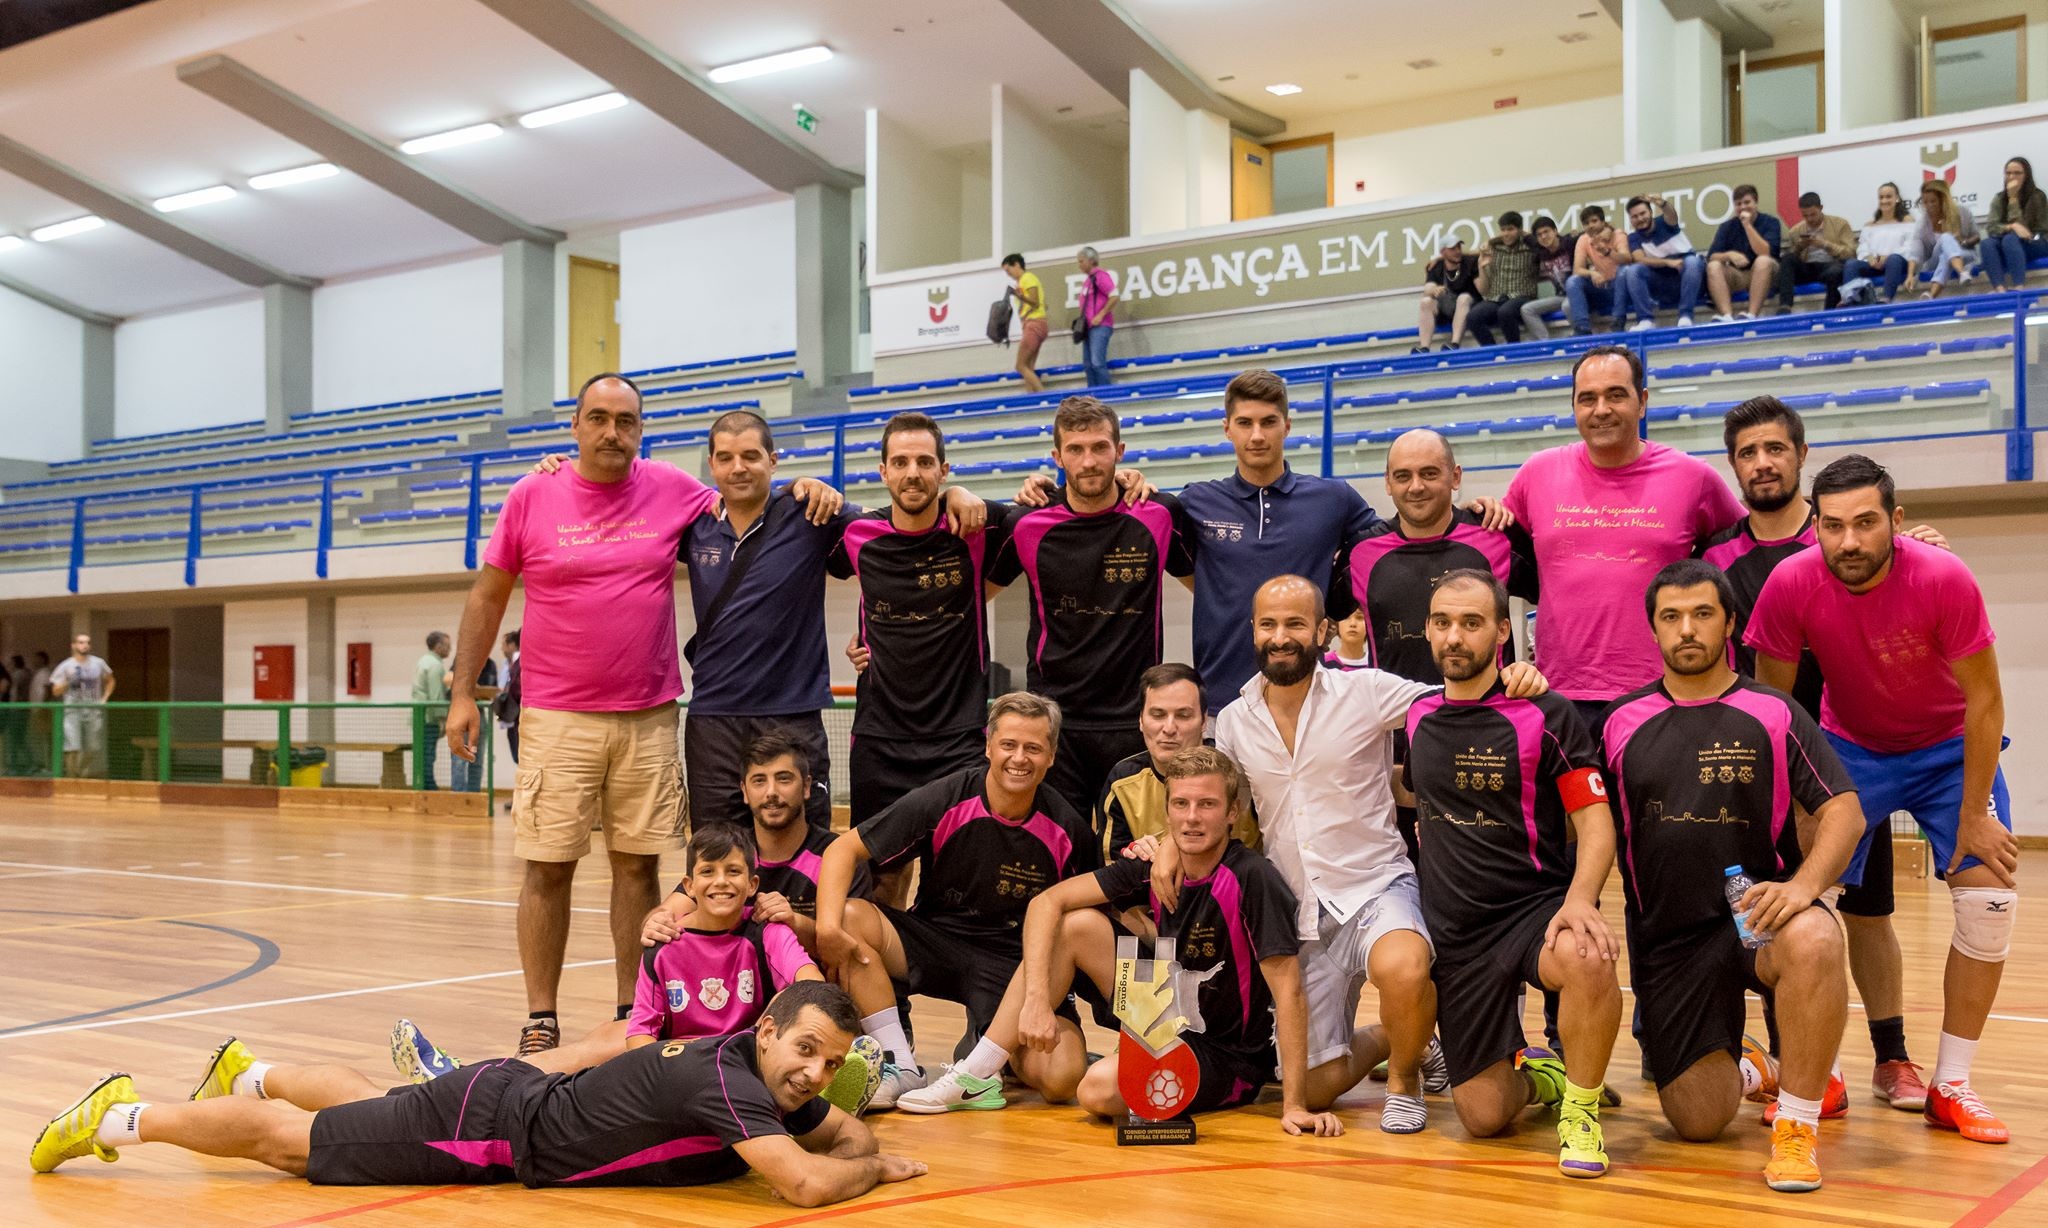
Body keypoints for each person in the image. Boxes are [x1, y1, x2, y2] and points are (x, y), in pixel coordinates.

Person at [446, 372, 750, 1056]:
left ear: (641, 430)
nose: (613, 431)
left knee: (637, 868)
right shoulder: (533, 493)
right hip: (557, 715)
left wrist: (808, 489)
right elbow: (488, 597)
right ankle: (541, 1016)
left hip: (648, 716)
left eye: (627, 421)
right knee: (547, 868)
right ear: (576, 426)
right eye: (599, 418)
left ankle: (630, 1011)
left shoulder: (674, 489)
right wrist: (464, 691)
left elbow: (746, 497)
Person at [31, 983, 925, 1206]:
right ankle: (118, 1114)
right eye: (805, 1049)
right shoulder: (731, 1081)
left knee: (365, 1109)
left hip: (504, 1099)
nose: (813, 1073)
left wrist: (851, 1143)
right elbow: (807, 1184)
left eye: (828, 1060)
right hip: (493, 1133)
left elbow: (835, 1134)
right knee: (295, 1148)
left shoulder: (765, 1073)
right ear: (766, 1029)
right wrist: (876, 1169)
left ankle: (251, 1070)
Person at [1199, 575, 1549, 1133]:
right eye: (1269, 624)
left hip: (1375, 887)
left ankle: (1406, 1080)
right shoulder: (1236, 721)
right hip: (1300, 913)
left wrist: (1512, 676)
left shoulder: (1364, 691)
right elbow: (1220, 806)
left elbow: (1454, 698)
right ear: (1254, 631)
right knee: (1310, 1092)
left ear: (1322, 630)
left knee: (1406, 968)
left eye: (1295, 624)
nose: (1281, 636)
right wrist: (1170, 844)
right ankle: (1402, 1037)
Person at [1747, 454, 2018, 1144]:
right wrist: (1802, 810)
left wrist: (1972, 817)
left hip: (1951, 749)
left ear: (1895, 522)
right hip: (1851, 751)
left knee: (1990, 899)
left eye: (1866, 523)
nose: (1850, 542)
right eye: (1833, 526)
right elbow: (1776, 709)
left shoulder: (1944, 578)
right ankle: (1823, 1075)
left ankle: (1951, 1084)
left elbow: (1986, 700)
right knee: (1809, 897)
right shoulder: (1790, 582)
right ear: (1816, 528)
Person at [900, 747, 1342, 1138]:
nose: (1191, 817)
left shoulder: (1252, 879)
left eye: (1207, 805)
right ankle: (978, 1070)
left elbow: (1289, 992)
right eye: (1181, 804)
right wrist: (1037, 1000)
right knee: (1075, 925)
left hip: (1227, 1054)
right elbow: (1046, 903)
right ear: (1167, 812)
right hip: (1166, 1016)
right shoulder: (1155, 866)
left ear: (1232, 813)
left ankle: (1383, 1043)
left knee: (1097, 1091)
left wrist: (1295, 1106)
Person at [1699, 399, 1940, 1114]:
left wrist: (1922, 545)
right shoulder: (1716, 557)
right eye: (1748, 451)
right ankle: (1796, 1064)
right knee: (1762, 915)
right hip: (1754, 767)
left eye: (1776, 447)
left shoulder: (1848, 536)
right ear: (1734, 465)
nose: (1763, 462)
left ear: (1802, 455)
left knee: (1867, 913)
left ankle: (1891, 1055)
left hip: (1846, 759)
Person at [1603, 560, 1866, 1193]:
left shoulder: (1771, 711)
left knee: (1817, 939)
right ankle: (1755, 1066)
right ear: (1654, 629)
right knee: (1698, 1121)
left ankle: (1797, 1128)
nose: (1686, 630)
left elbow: (1845, 813)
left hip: (1756, 918)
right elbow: (1589, 829)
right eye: (1671, 617)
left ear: (1730, 624)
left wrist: (1803, 889)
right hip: (1668, 941)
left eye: (1702, 614)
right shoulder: (1618, 723)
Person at [1405, 570, 1619, 1178]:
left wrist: (1581, 901)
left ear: (1502, 630)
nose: (1455, 636)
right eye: (1443, 622)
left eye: (1472, 623)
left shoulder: (1545, 712)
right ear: (1426, 630)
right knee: (1483, 1115)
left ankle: (1582, 1112)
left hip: (1533, 911)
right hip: (1458, 935)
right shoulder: (1418, 716)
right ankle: (1543, 1077)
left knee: (1587, 953)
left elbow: (1598, 824)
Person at [813, 692, 1099, 1108]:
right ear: (988, 746)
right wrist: (826, 928)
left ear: (1051, 756)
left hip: (1014, 969)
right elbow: (843, 850)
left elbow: (1084, 925)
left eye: (1033, 748)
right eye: (1009, 745)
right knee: (852, 916)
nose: (1019, 758)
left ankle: (987, 1050)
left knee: (1061, 1080)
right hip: (937, 943)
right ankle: (901, 1065)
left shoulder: (1068, 829)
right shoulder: (946, 798)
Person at [1503, 345, 1745, 728]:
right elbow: (1496, 549)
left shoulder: (1693, 478)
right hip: (1562, 695)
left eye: (1616, 395)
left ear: (1642, 401)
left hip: (1666, 692)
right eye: (1588, 399)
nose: (1601, 409)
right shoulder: (1537, 473)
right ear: (1574, 407)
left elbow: (1746, 554)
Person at [987, 397, 1192, 818]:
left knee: (1137, 857)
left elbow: (1210, 590)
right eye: (1075, 450)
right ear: (1057, 457)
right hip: (1055, 723)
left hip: (1135, 722)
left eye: (1100, 448)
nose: (1089, 461)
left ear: (1119, 451)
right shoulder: (1025, 523)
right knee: (1066, 854)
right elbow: (974, 598)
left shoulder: (1158, 515)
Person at [1169, 368, 1389, 717]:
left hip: (1310, 703)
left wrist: (1333, 607)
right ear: (1227, 428)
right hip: (1221, 704)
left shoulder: (1333, 498)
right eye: (1245, 423)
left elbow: (1389, 544)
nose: (1257, 435)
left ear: (1287, 425)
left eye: (1268, 422)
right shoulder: (1197, 502)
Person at [831, 413, 1008, 827]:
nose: (913, 474)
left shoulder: (979, 526)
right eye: (901, 462)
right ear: (883, 471)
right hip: (879, 738)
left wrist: (958, 494)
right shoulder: (856, 534)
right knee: (879, 877)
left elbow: (1062, 504)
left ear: (943, 471)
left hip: (959, 737)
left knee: (954, 871)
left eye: (925, 463)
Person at [1333, 428, 1537, 684]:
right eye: (1403, 476)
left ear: (1455, 477)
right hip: (1397, 720)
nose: (1416, 486)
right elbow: (1322, 619)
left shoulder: (1496, 535)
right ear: (1387, 482)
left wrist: (1534, 668)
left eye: (1429, 474)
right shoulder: (1360, 552)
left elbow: (1556, 600)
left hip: (1487, 718)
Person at [1098, 663, 1258, 860]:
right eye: (1158, 715)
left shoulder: (1239, 769)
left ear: (1204, 721)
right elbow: (1113, 872)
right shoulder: (1122, 782)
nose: (1169, 728)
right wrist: (1137, 857)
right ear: (1140, 720)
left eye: (1183, 715)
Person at [1618, 193, 1702, 330]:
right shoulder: (1633, 237)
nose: (1639, 219)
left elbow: (1671, 214)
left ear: (1651, 212)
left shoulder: (1665, 223)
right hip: (1661, 282)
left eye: (1642, 213)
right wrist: (1668, 262)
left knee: (1693, 262)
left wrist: (1662, 203)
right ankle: (1645, 320)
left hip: (1687, 276)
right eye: (1634, 216)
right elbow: (1639, 259)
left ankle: (1686, 315)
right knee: (1633, 270)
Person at [1704, 184, 1782, 322]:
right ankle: (1727, 316)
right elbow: (1712, 256)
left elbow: (1765, 252)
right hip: (1738, 275)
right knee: (1714, 266)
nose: (1743, 207)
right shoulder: (1727, 226)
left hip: (1766, 273)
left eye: (1747, 202)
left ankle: (1751, 315)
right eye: (1738, 204)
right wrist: (1729, 255)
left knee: (1762, 261)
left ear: (1756, 203)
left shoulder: (1771, 222)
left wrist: (1747, 226)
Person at [1841, 182, 1921, 305]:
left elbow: (1910, 247)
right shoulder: (1870, 224)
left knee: (1893, 259)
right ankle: (1850, 299)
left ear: (1897, 199)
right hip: (1875, 264)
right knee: (1851, 264)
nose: (1884, 201)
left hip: (1897, 264)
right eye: (1881, 197)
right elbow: (1862, 247)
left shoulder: (1907, 221)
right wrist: (1870, 258)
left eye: (1888, 197)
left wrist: (1886, 257)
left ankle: (1886, 298)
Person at [47, 632, 114, 779]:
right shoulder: (66, 665)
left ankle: (78, 771)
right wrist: (69, 682)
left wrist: (105, 698)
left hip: (93, 709)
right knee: (73, 746)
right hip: (72, 709)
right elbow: (55, 691)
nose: (85, 645)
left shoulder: (98, 663)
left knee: (93, 747)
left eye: (87, 642)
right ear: (74, 645)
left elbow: (110, 680)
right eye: (81, 642)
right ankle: (71, 777)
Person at [1773, 191, 1852, 311]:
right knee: (1787, 259)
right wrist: (1800, 247)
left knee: (1836, 272)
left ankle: (1829, 312)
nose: (1810, 219)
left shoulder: (1840, 224)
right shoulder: (1795, 231)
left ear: (1821, 208)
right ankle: (1785, 305)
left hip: (1830, 265)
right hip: (1808, 267)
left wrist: (1825, 244)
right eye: (1805, 216)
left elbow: (1850, 252)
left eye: (1813, 214)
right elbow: (1795, 258)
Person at [1470, 211, 1539, 346]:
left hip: (1522, 296)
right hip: (1496, 298)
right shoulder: (1494, 249)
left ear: (1520, 229)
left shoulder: (1530, 247)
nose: (1506, 233)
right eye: (1503, 230)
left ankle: (1514, 350)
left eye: (1510, 229)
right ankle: (1491, 351)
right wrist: (1482, 266)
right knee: (1473, 317)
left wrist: (1523, 234)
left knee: (1505, 312)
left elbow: (1540, 245)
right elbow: (1484, 291)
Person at [1980, 156, 2048, 291]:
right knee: (1987, 243)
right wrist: (2011, 226)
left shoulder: (2037, 196)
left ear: (2026, 175)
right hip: (2009, 242)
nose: (2012, 177)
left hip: (2036, 241)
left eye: (2017, 173)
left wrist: (2013, 200)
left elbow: (2025, 231)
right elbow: (1992, 227)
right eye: (2008, 173)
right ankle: (2000, 290)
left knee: (2010, 239)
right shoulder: (1999, 198)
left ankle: (2019, 287)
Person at [1567, 205, 1630, 335]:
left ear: (1603, 221)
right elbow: (1577, 269)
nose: (1590, 226)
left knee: (1623, 271)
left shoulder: (1617, 234)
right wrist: (1592, 273)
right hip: (1601, 287)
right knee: (1573, 281)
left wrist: (1606, 251)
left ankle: (1618, 320)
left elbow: (1627, 259)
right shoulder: (1583, 239)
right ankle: (1582, 328)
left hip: (1621, 288)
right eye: (1586, 223)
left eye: (1594, 221)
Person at [1915, 178, 1980, 298]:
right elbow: (1918, 253)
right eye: (1925, 202)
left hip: (1964, 253)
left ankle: (1931, 295)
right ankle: (1962, 273)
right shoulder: (1923, 224)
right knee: (1945, 238)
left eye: (1933, 201)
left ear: (1943, 200)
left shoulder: (1963, 212)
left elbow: (1976, 236)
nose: (1929, 206)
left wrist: (1963, 242)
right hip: (1934, 261)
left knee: (1946, 256)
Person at [1414, 240, 1479, 352]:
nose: (1457, 251)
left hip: (1469, 307)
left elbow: (1484, 250)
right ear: (1443, 251)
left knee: (1463, 298)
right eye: (1453, 249)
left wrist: (1440, 257)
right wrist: (1434, 289)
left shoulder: (1470, 261)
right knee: (1426, 301)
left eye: (1459, 247)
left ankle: (1455, 344)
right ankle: (1424, 348)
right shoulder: (1436, 266)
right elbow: (1428, 288)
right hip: (1448, 307)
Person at [1521, 216, 1576, 340]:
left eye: (1546, 232)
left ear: (1555, 231)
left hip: (1577, 293)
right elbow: (1523, 235)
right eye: (1539, 235)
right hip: (1561, 295)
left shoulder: (1569, 243)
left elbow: (1588, 233)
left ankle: (1581, 336)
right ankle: (1546, 344)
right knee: (1527, 309)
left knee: (1567, 306)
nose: (1543, 236)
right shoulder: (1540, 252)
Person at [409, 633, 450, 790]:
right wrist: (442, 719)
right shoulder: (435, 666)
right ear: (438, 646)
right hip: (428, 718)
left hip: (419, 716)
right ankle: (428, 788)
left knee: (423, 754)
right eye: (447, 645)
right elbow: (436, 695)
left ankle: (423, 785)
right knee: (428, 755)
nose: (450, 649)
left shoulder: (423, 661)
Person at [1002, 253, 1049, 392]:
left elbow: (1035, 302)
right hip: (1036, 324)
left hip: (1034, 324)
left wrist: (1020, 296)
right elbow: (1042, 305)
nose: (1008, 274)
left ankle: (1043, 395)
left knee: (1020, 366)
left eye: (1008, 270)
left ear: (1016, 265)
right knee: (1029, 367)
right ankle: (1032, 398)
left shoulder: (1027, 278)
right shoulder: (1022, 282)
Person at [1075, 245, 1119, 387]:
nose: (1079, 265)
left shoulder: (1101, 276)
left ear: (1091, 260)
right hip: (1089, 328)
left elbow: (1114, 296)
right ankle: (1093, 398)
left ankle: (1106, 396)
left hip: (1100, 326)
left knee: (1097, 362)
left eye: (1081, 261)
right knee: (1088, 365)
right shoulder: (1088, 280)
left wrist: (1100, 315)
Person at [491, 629, 521, 764]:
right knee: (516, 756)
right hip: (509, 715)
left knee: (520, 756)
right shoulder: (506, 664)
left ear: (512, 645)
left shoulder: (519, 663)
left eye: (504, 645)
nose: (502, 649)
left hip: (519, 714)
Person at [28, 650, 52, 774]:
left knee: (44, 738)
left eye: (36, 658)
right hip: (35, 710)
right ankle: (40, 764)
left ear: (42, 660)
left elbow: (48, 690)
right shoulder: (38, 673)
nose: (34, 661)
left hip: (42, 710)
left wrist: (43, 707)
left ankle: (47, 766)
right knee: (37, 739)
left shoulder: (45, 673)